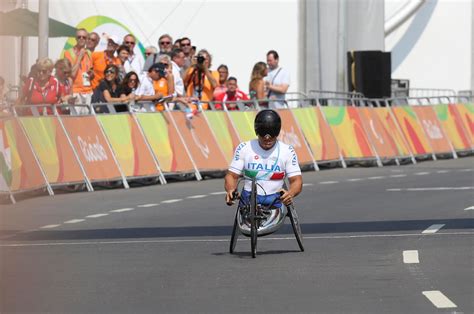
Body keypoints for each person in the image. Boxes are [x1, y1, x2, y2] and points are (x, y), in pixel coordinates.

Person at [224, 109, 303, 225]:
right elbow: (231, 176)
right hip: (249, 197)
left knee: (276, 198)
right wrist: (231, 190)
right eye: (263, 134)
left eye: (272, 134)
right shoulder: (244, 148)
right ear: (257, 131)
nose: (267, 138)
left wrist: (290, 193)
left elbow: (297, 180)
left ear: (277, 132)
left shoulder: (287, 151)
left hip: (274, 199)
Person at [64, 28, 94, 111]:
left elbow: (89, 71)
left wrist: (91, 74)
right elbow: (72, 74)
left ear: (87, 39)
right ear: (75, 38)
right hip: (76, 91)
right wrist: (79, 57)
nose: (81, 39)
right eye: (79, 37)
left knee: (87, 121)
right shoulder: (68, 53)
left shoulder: (88, 53)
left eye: (84, 37)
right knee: (75, 120)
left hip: (88, 91)